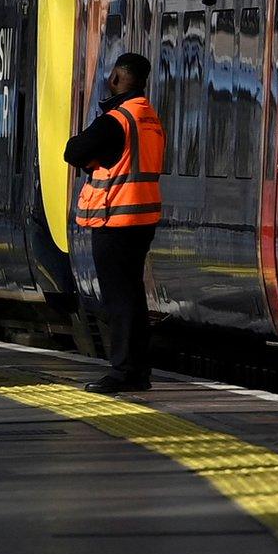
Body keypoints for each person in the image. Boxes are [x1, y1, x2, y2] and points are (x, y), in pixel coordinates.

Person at [65, 52, 165, 393]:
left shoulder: (116, 119)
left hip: (115, 219)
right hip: (142, 219)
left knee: (120, 299)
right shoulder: (148, 117)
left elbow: (74, 151)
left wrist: (90, 158)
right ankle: (138, 371)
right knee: (133, 295)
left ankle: (122, 371)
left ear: (117, 79)